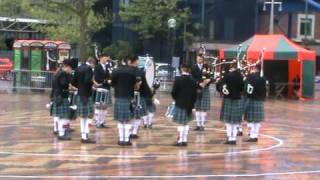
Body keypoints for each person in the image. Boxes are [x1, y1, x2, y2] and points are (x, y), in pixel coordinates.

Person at [112, 56, 140, 146]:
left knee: (120, 120)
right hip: (128, 96)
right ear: (128, 61)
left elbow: (112, 84)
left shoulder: (115, 71)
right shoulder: (132, 71)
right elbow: (135, 86)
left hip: (119, 96)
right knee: (127, 120)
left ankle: (121, 139)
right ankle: (127, 139)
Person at [171, 64, 197, 146]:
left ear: (182, 69)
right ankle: (185, 140)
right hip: (189, 104)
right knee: (186, 123)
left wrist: (176, 99)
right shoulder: (193, 80)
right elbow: (195, 94)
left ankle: (180, 141)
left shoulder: (178, 79)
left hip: (180, 103)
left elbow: (173, 92)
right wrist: (192, 104)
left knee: (181, 123)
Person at [72, 57, 96, 143]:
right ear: (92, 63)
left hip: (80, 94)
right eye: (94, 65)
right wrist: (93, 84)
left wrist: (80, 87)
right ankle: (85, 136)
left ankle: (84, 136)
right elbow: (87, 81)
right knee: (89, 115)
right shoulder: (89, 68)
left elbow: (73, 82)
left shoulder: (78, 68)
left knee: (83, 117)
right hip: (87, 95)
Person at [220, 64, 244, 145]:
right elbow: (242, 88)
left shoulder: (227, 76)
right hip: (237, 98)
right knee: (235, 121)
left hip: (228, 99)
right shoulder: (240, 76)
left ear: (231, 68)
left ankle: (229, 138)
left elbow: (220, 86)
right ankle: (234, 138)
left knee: (228, 121)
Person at [51, 59, 74, 140]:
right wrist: (70, 86)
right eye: (71, 69)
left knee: (61, 117)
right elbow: (64, 84)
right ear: (68, 67)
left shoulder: (59, 72)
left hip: (58, 96)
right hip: (61, 97)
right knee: (62, 117)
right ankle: (61, 134)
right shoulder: (63, 73)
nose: (71, 70)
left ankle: (62, 133)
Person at [244, 65, 267, 142]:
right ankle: (255, 135)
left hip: (251, 99)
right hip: (260, 100)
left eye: (252, 68)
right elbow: (265, 90)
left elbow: (246, 88)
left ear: (255, 69)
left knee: (251, 120)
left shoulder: (250, 77)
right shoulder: (263, 79)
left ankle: (252, 135)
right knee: (257, 120)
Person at [191, 54, 212, 131]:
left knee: (203, 108)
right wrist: (198, 83)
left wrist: (208, 81)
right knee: (197, 107)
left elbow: (211, 77)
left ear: (203, 59)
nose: (199, 60)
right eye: (198, 59)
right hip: (196, 88)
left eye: (200, 59)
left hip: (205, 88)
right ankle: (198, 125)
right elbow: (191, 78)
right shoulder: (193, 67)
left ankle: (202, 125)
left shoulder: (207, 66)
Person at [94, 53, 112, 128]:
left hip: (107, 88)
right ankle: (97, 122)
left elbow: (109, 76)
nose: (106, 59)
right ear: (100, 58)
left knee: (105, 106)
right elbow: (97, 78)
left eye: (106, 58)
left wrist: (110, 79)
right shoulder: (97, 67)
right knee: (99, 106)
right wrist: (105, 81)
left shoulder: (107, 66)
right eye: (105, 58)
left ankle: (102, 122)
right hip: (100, 87)